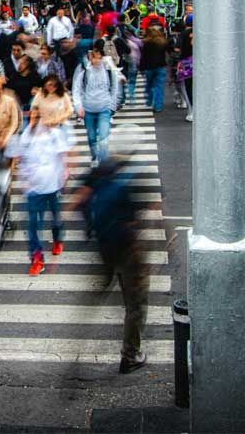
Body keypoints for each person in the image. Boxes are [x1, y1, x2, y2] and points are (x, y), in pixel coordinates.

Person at [74, 155, 149, 374]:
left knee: (106, 285)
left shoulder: (95, 187)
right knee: (135, 304)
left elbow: (82, 207)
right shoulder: (121, 188)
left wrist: (90, 229)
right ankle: (130, 356)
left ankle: (95, 298)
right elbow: (131, 220)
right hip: (126, 251)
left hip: (104, 249)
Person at [6, 106, 70, 275]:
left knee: (56, 217)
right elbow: (18, 159)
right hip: (34, 189)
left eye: (38, 117)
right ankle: (37, 258)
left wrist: (65, 172)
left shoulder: (55, 134)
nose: (36, 121)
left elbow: (63, 155)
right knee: (33, 225)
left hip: (53, 184)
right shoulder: (25, 137)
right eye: (33, 118)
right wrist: (21, 180)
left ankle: (57, 238)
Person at [72, 49, 118, 167]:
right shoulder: (85, 73)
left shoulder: (108, 72)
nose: (96, 60)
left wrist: (112, 106)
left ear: (102, 58)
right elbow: (76, 90)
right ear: (89, 59)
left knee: (103, 137)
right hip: (88, 110)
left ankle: (103, 162)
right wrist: (79, 107)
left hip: (104, 109)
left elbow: (115, 88)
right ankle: (94, 157)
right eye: (93, 58)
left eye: (98, 57)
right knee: (92, 137)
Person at [139, 26, 168, 113]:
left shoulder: (146, 43)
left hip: (149, 67)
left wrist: (141, 68)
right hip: (161, 66)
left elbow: (143, 57)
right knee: (159, 87)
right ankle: (157, 106)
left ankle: (149, 99)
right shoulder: (162, 43)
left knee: (149, 85)